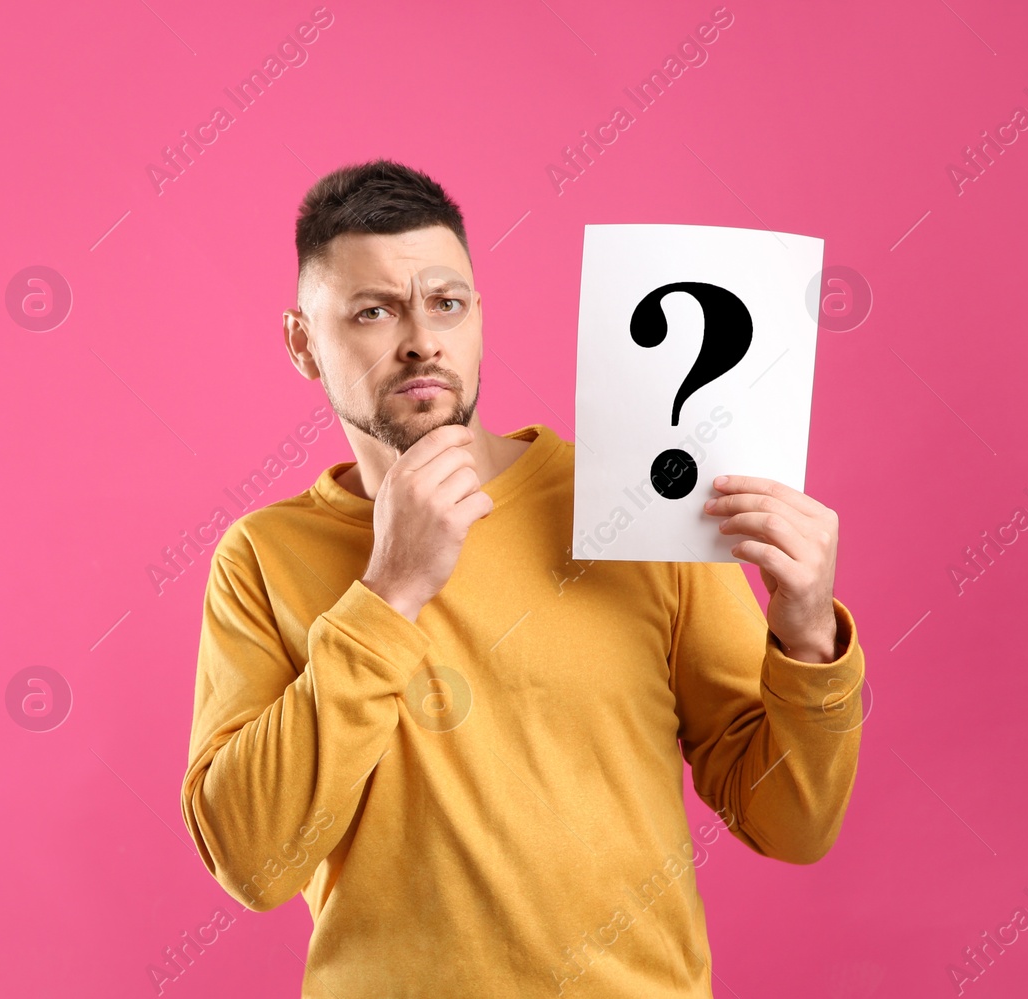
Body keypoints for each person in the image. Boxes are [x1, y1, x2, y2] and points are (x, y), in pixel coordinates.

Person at [178, 159, 865, 997]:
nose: (421, 340)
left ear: (477, 317)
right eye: (371, 311)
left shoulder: (636, 503)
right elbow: (255, 862)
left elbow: (791, 821)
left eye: (446, 303)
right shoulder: (261, 556)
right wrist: (387, 591)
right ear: (302, 343)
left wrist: (807, 634)